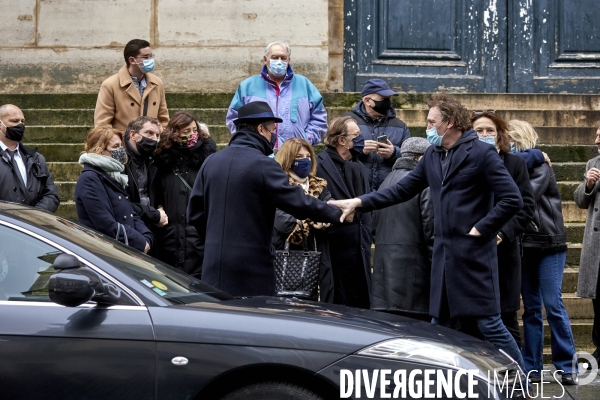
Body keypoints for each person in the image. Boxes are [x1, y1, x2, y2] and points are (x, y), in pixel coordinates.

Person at [328, 93, 525, 368]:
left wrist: (482, 229)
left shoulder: (481, 153)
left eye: (432, 122)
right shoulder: (433, 154)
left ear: (450, 122)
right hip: (444, 261)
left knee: (490, 324)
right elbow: (401, 190)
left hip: (474, 258)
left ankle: (521, 381)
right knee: (440, 326)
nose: (427, 127)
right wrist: (360, 201)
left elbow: (512, 199)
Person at [187, 101, 342, 297]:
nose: (273, 136)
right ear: (261, 129)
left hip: (213, 267)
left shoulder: (211, 161)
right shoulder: (263, 165)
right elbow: (298, 203)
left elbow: (194, 214)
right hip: (252, 270)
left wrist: (215, 242)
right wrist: (337, 212)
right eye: (271, 130)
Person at [507, 119, 578, 385]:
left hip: (549, 243)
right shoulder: (524, 162)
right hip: (524, 245)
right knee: (531, 309)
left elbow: (521, 196)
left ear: (519, 139)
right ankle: (532, 367)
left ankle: (567, 366)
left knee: (553, 304)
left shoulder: (539, 166)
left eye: (509, 138)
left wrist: (527, 157)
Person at [471, 111, 536, 347]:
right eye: (479, 131)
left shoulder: (515, 164)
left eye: (490, 131)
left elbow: (526, 206)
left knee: (506, 316)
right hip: (474, 250)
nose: (485, 135)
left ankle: (515, 377)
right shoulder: (465, 163)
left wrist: (502, 233)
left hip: (504, 250)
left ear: (500, 135)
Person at [370, 137, 433, 320]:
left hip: (383, 283)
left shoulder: (385, 184)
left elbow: (374, 229)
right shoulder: (423, 185)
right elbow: (431, 229)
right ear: (421, 159)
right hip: (415, 280)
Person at [225, 41, 327, 147]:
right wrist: (249, 141)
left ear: (289, 60)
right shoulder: (247, 86)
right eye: (274, 57)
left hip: (296, 152)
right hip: (259, 151)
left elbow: (319, 117)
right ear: (265, 59)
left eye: (283, 58)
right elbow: (234, 118)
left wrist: (307, 139)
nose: (279, 61)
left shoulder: (305, 85)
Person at [316, 116, 371, 308]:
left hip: (360, 244)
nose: (360, 139)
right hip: (335, 245)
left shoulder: (359, 165)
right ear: (341, 140)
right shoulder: (319, 164)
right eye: (356, 135)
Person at [152, 112, 216, 278]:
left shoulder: (207, 161)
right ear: (174, 135)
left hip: (197, 240)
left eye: (195, 130)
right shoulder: (162, 162)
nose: (192, 135)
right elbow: (156, 194)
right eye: (186, 131)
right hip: (169, 238)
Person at [273, 138, 334, 302]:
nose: (305, 160)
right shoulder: (279, 186)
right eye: (299, 157)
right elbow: (287, 225)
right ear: (288, 159)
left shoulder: (320, 185)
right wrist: (317, 212)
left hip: (321, 261)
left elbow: (331, 215)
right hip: (290, 262)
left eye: (308, 156)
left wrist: (306, 214)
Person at [75, 126, 153, 253]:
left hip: (123, 250)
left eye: (121, 146)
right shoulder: (90, 178)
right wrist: (138, 242)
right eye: (116, 147)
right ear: (99, 150)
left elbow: (130, 213)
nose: (121, 151)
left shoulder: (113, 175)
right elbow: (105, 224)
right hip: (107, 253)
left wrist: (147, 237)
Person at [342, 79, 411, 191]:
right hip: (354, 189)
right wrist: (358, 151)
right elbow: (333, 155)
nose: (387, 103)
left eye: (388, 99)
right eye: (383, 99)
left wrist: (393, 153)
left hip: (389, 192)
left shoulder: (400, 126)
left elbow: (411, 159)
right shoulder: (345, 122)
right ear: (367, 100)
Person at [94, 39, 169, 131]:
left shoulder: (157, 83)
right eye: (146, 57)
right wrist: (117, 143)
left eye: (151, 56)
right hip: (124, 143)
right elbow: (102, 125)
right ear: (132, 60)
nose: (150, 60)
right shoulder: (110, 85)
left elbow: (163, 119)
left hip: (151, 143)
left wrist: (159, 138)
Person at [574, 121, 600, 369]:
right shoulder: (593, 164)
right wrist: (588, 185)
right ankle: (599, 348)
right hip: (597, 245)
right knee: (597, 298)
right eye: (596, 135)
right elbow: (580, 201)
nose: (596, 140)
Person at [0, 104, 59, 212]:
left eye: (22, 121)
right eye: (14, 121)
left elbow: (51, 194)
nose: (20, 125)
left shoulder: (36, 159)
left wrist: (34, 216)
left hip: (31, 225)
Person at [123, 116, 168, 230]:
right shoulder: (120, 162)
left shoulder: (153, 161)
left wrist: (160, 207)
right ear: (133, 135)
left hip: (150, 225)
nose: (154, 139)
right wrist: (153, 214)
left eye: (157, 135)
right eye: (149, 133)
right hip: (128, 226)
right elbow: (121, 202)